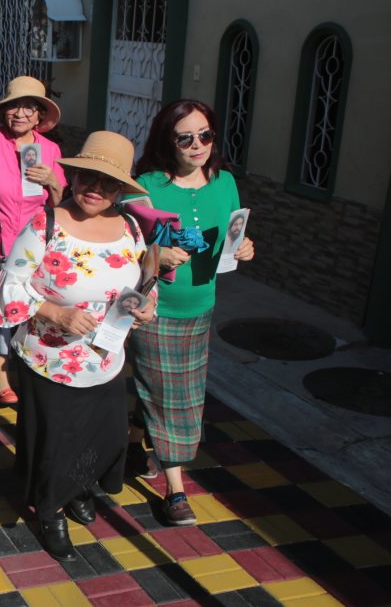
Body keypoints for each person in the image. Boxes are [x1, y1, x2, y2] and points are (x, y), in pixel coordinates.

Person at [0, 130, 156, 563]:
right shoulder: (46, 223)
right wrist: (54, 314)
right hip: (50, 357)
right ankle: (52, 508)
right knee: (57, 438)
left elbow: (140, 280)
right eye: (86, 177)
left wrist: (147, 305)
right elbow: (9, 284)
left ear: (121, 189)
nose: (95, 189)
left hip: (105, 355)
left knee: (102, 432)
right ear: (74, 176)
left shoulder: (131, 227)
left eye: (108, 183)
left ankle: (81, 485)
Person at [125, 99, 256, 526]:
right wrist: (155, 253)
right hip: (156, 310)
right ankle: (176, 490)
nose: (197, 144)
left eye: (205, 135)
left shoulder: (225, 182)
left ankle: (133, 441)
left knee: (177, 388)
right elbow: (120, 248)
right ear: (169, 139)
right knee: (172, 395)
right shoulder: (145, 185)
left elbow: (232, 240)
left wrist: (245, 248)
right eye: (186, 137)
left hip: (201, 307)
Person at [0, 76, 67, 407]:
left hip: (37, 245)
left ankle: (27, 363)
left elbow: (59, 205)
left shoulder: (50, 151)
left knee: (31, 307)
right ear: (4, 112)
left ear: (39, 115)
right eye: (13, 106)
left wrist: (53, 182)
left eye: (28, 107)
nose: (20, 113)